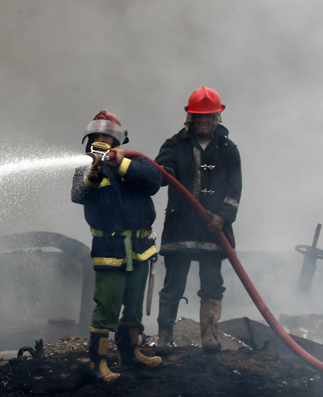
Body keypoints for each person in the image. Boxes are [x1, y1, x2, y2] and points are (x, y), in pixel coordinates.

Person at [71, 109, 163, 382]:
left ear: (118, 140)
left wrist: (121, 163)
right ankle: (98, 363)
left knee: (133, 307)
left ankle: (130, 354)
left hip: (139, 247)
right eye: (97, 136)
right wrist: (94, 172)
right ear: (89, 140)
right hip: (110, 249)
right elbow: (78, 195)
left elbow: (154, 181)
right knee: (107, 309)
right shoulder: (83, 168)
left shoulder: (137, 163)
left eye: (107, 136)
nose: (102, 139)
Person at [154, 86, 242, 355]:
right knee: (173, 284)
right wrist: (165, 170)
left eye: (208, 118)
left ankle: (210, 337)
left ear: (217, 118)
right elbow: (161, 170)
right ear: (190, 119)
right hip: (181, 227)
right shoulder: (174, 144)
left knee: (212, 285)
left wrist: (222, 218)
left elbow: (234, 188)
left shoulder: (228, 149)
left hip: (212, 231)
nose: (203, 122)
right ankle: (165, 337)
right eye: (198, 118)